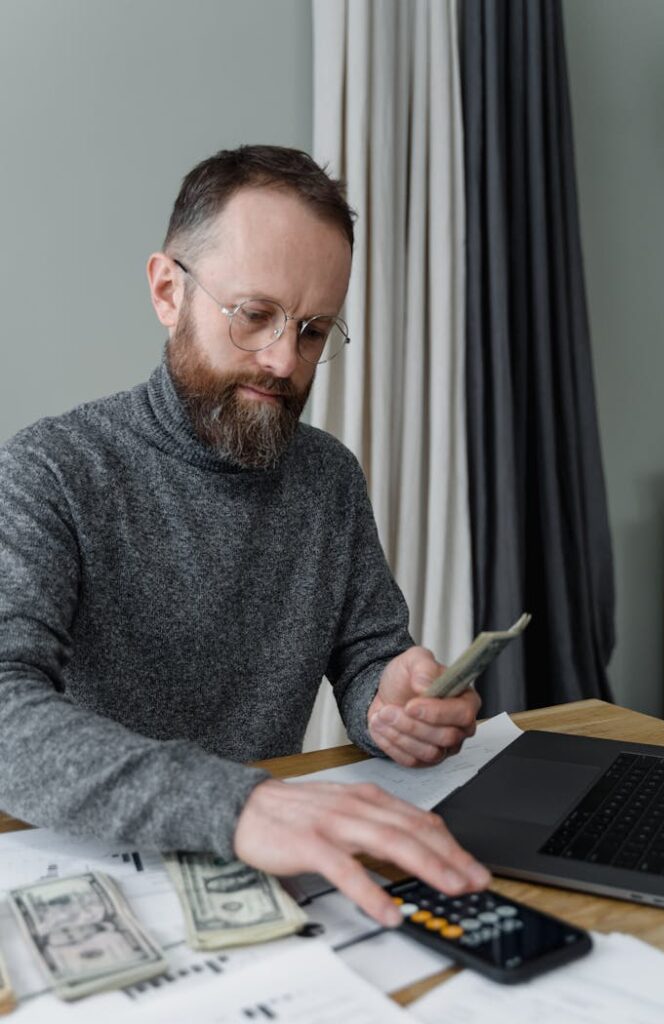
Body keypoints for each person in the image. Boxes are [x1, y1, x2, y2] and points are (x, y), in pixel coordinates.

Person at [0, 145, 489, 928]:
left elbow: (368, 656)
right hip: (93, 879)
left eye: (313, 329)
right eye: (254, 315)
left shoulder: (328, 477)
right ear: (167, 290)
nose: (283, 362)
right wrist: (239, 805)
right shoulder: (52, 470)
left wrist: (391, 704)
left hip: (276, 878)